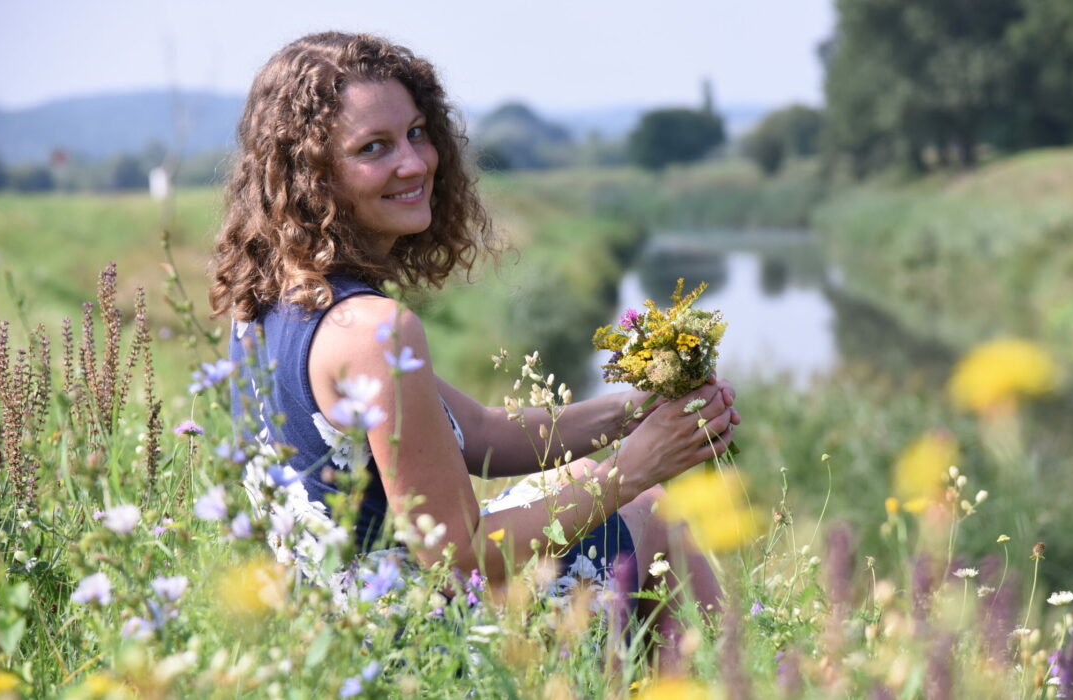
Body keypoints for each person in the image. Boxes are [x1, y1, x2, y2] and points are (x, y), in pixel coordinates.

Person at [209, 32, 739, 637]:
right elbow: (457, 555)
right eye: (373, 148)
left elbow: (480, 435)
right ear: (312, 177)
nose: (414, 162)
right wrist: (636, 469)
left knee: (607, 496)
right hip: (412, 644)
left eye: (415, 132)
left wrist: (639, 412)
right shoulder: (372, 331)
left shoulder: (270, 301)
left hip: (325, 634)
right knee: (654, 516)